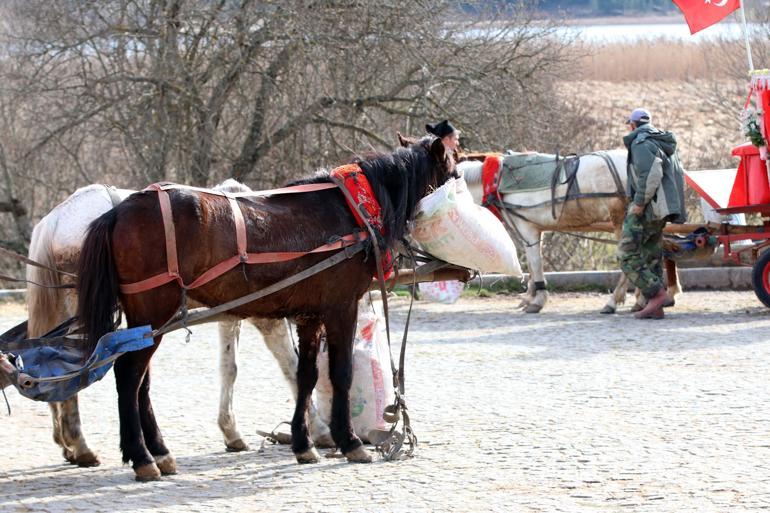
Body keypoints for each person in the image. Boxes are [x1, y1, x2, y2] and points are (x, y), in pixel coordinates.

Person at [618, 108, 687, 319]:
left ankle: (655, 294)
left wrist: (639, 203)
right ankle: (655, 307)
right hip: (662, 209)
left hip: (648, 208)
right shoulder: (660, 141)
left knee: (626, 253)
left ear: (632, 125)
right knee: (651, 254)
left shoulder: (640, 143)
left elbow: (651, 173)